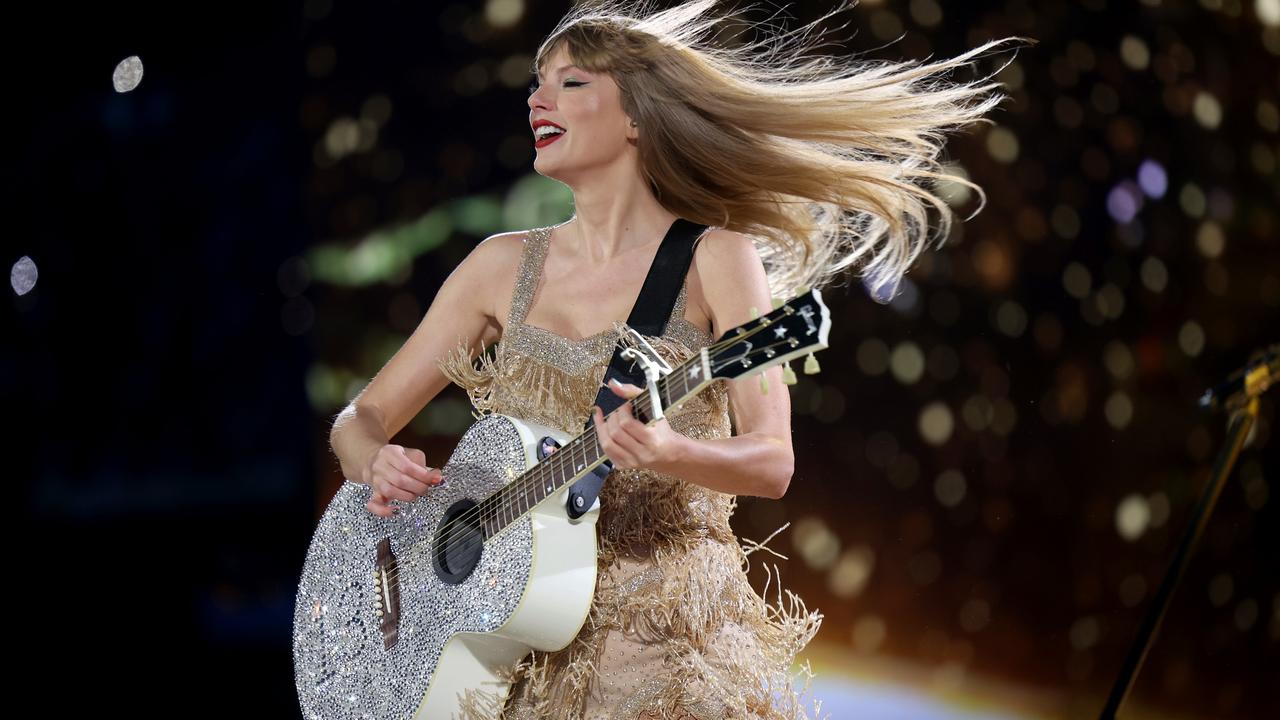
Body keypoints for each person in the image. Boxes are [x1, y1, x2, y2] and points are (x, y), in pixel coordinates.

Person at [328, 1, 1028, 717]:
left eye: (571, 83)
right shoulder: (496, 268)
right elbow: (360, 418)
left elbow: (772, 461)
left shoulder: (717, 259)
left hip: (661, 639)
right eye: (537, 83)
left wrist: (663, 450)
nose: (538, 98)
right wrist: (371, 457)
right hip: (509, 652)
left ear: (637, 117)